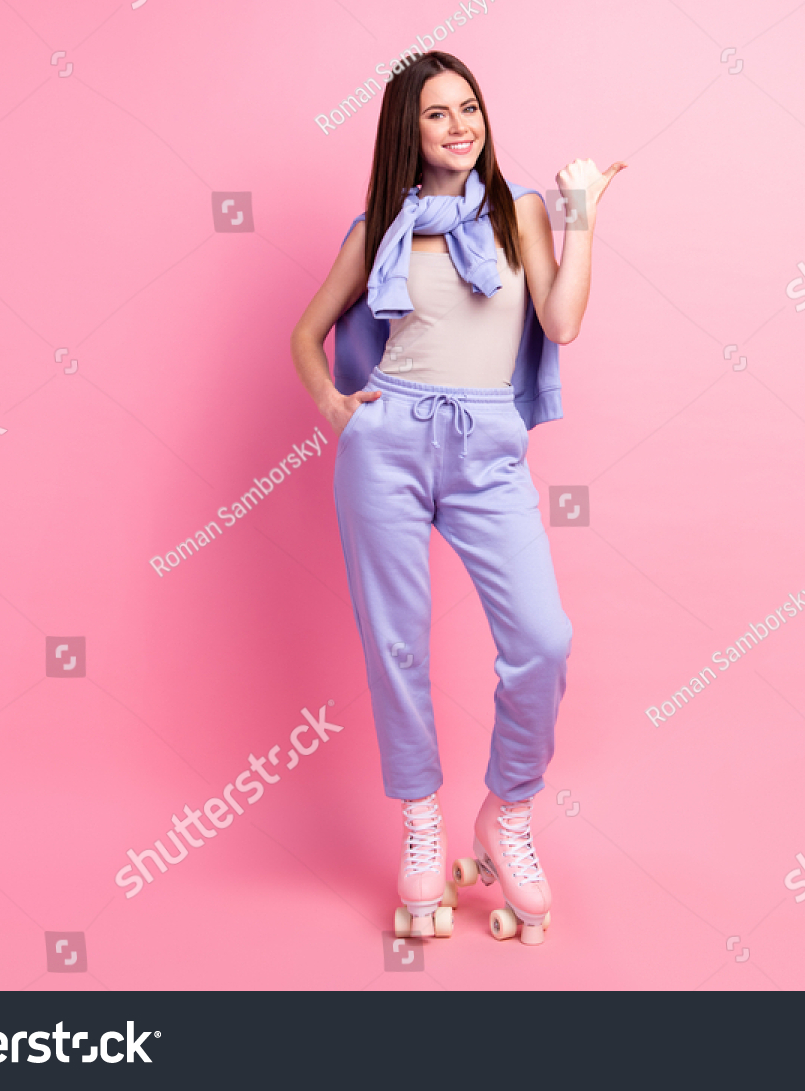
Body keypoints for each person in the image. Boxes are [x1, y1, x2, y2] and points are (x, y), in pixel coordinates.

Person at [290, 50, 623, 946]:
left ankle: (504, 813)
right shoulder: (378, 228)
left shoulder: (520, 215)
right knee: (396, 642)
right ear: (409, 128)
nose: (458, 125)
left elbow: (561, 321)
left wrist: (583, 217)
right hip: (387, 443)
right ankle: (421, 818)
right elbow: (306, 332)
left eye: (468, 107)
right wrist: (335, 407)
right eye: (437, 114)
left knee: (542, 638)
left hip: (487, 453)